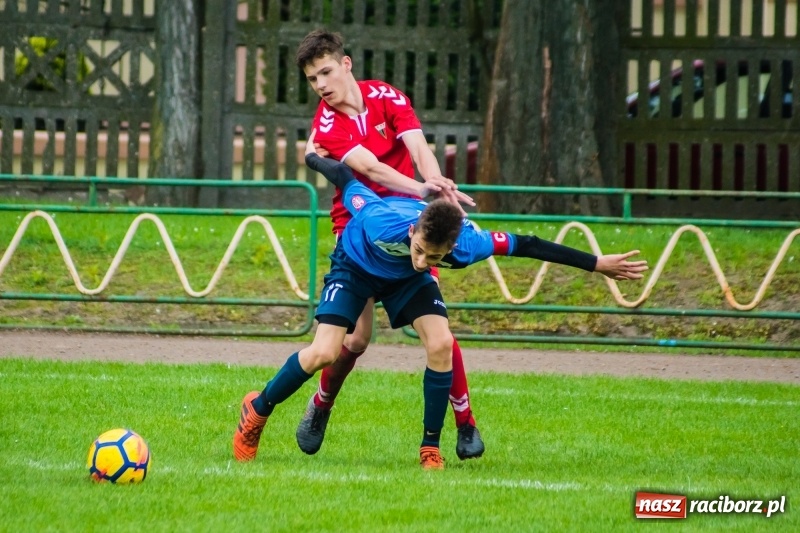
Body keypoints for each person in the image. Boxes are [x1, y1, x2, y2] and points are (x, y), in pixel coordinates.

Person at [232, 136, 649, 470]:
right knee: (325, 351)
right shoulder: (379, 218)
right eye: (420, 250)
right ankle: (258, 409)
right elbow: (345, 177)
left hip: (406, 283)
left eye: (435, 258)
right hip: (355, 267)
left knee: (440, 344)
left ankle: (430, 448)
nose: (425, 259)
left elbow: (529, 245)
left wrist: (597, 264)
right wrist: (311, 157)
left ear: (451, 247)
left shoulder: (468, 244)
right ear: (414, 230)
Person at [294, 29, 484, 461]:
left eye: (325, 72)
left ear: (346, 65)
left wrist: (436, 187)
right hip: (358, 225)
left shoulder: (387, 97)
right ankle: (321, 404)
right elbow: (372, 170)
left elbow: (418, 145)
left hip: (412, 226)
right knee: (357, 339)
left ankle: (465, 422)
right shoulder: (325, 124)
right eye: (312, 79)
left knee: (439, 333)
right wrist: (423, 189)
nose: (321, 85)